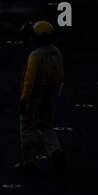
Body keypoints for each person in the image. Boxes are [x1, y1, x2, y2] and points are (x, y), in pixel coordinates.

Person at [16, 20, 64, 176]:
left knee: (28, 129)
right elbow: (60, 75)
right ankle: (55, 150)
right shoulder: (56, 52)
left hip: (35, 96)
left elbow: (29, 80)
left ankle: (29, 162)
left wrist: (24, 99)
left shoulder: (35, 56)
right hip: (50, 95)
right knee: (46, 126)